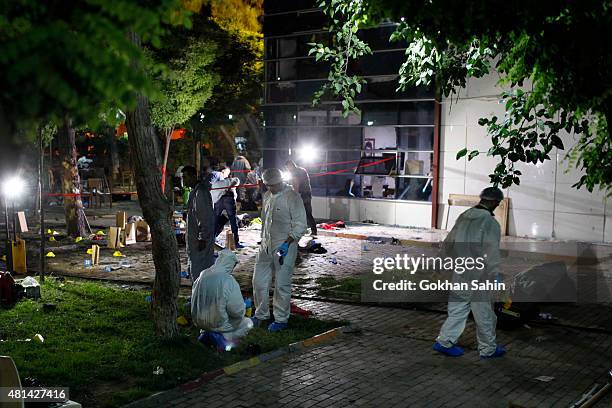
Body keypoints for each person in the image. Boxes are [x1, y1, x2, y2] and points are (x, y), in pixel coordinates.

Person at [433, 187, 506, 359]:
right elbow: (492, 251)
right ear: (495, 202)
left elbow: (449, 241)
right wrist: (495, 274)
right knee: (485, 313)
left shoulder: (464, 216)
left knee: (458, 309)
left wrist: (441, 261)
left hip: (461, 270)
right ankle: (488, 349)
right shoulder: (490, 223)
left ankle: (444, 342)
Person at [252, 168, 307, 332]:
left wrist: (287, 243)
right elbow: (265, 221)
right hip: (266, 246)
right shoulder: (267, 196)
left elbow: (300, 224)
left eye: (274, 185)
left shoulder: (293, 197)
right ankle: (261, 314)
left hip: (285, 246)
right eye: (268, 185)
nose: (271, 188)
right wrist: (263, 241)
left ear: (281, 181)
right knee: (259, 282)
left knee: (282, 284)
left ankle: (281, 319)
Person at [191, 249, 253, 351]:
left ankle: (205, 335)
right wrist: (244, 306)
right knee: (247, 323)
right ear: (230, 264)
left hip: (199, 322)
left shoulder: (203, 274)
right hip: (219, 325)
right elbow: (236, 312)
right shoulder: (228, 281)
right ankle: (224, 341)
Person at [184, 166, 215, 282]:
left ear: (193, 176)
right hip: (195, 238)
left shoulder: (200, 193)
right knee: (195, 269)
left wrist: (202, 238)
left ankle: (200, 297)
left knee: (200, 271)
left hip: (200, 241)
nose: (184, 180)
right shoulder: (195, 192)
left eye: (185, 177)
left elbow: (204, 218)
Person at [211, 166, 243, 249]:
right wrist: (228, 189)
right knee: (233, 220)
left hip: (219, 200)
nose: (227, 174)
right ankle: (236, 242)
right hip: (228, 199)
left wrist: (226, 189)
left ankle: (212, 240)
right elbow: (236, 180)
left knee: (215, 220)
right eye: (227, 172)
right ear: (223, 171)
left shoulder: (217, 183)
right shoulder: (226, 180)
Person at [284, 160, 317, 236]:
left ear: (290, 165)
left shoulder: (294, 172)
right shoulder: (302, 170)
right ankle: (313, 231)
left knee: (296, 214)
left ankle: (298, 231)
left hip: (301, 195)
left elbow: (296, 184)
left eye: (287, 168)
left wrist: (294, 195)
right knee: (308, 213)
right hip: (307, 194)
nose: (288, 169)